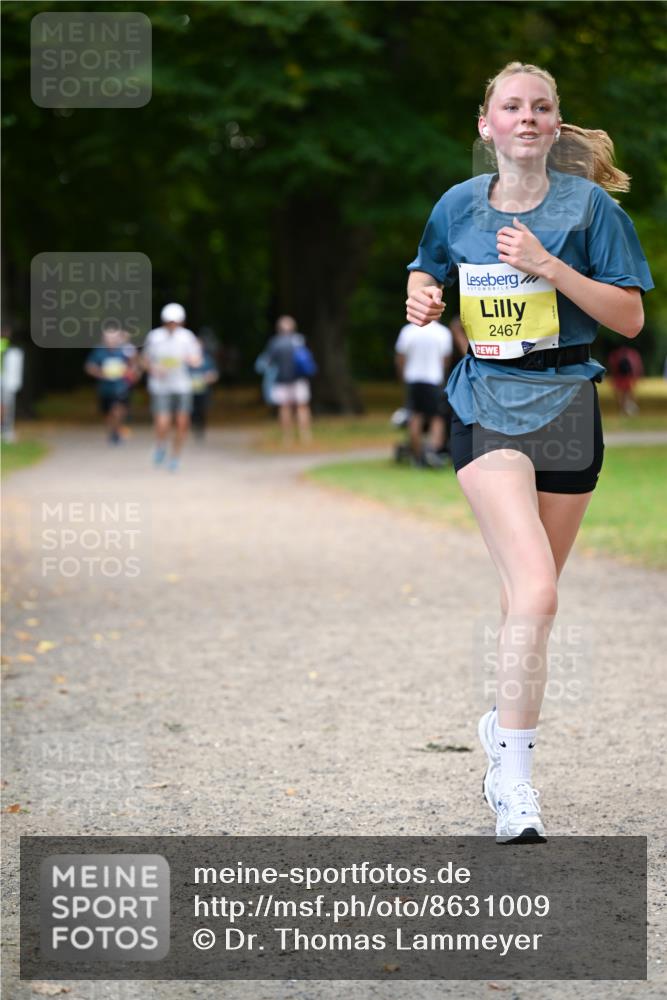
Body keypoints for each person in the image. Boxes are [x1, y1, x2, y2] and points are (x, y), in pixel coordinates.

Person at [406, 62, 653, 843]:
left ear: (554, 125)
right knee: (538, 593)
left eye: (538, 107)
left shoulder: (589, 211)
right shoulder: (456, 206)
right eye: (509, 107)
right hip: (487, 405)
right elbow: (426, 267)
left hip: (569, 409)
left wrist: (551, 268)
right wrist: (420, 292)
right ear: (486, 125)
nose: (524, 117)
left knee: (524, 603)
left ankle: (498, 724)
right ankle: (513, 779)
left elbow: (629, 318)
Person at [142, 303, 202, 471]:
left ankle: (175, 457)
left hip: (182, 385)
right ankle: (161, 445)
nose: (172, 325)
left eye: (175, 322)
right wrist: (154, 369)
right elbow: (145, 361)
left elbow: (197, 359)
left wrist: (192, 360)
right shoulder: (154, 337)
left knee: (183, 423)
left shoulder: (187, 337)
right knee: (163, 422)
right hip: (160, 385)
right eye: (169, 322)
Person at [394, 318, 453, 467]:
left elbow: (400, 357)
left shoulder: (408, 331)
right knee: (437, 417)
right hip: (433, 379)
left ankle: (417, 456)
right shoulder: (442, 332)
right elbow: (445, 360)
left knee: (415, 416)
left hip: (413, 379)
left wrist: (403, 378)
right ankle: (433, 452)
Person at [261, 315, 313, 443]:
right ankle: (305, 435)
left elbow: (267, 362)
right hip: (299, 379)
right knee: (302, 407)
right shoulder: (299, 340)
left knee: (284, 408)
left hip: (281, 380)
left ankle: (287, 437)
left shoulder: (275, 342)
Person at [84, 326, 137, 445]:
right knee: (108, 413)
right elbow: (89, 366)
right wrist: (100, 373)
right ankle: (112, 431)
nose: (111, 341)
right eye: (108, 338)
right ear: (104, 339)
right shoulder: (98, 351)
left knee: (118, 410)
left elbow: (133, 365)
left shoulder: (125, 350)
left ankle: (116, 432)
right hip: (105, 388)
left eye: (114, 338)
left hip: (121, 386)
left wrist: (130, 373)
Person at [189, 336, 220, 439]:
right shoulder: (186, 359)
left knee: (202, 410)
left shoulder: (207, 359)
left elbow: (214, 374)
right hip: (189, 390)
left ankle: (200, 428)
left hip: (204, 390)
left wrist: (209, 377)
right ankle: (192, 427)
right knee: (191, 410)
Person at [1, 328, 24, 443]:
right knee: (5, 405)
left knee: (5, 405)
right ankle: (5, 429)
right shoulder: (5, 345)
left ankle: (5, 429)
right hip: (4, 379)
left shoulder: (5, 345)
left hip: (5, 379)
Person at [607, 344, 643, 415]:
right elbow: (636, 367)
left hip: (619, 378)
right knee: (627, 394)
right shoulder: (632, 354)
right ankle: (628, 409)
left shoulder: (615, 354)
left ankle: (623, 410)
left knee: (621, 395)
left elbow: (612, 366)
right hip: (628, 377)